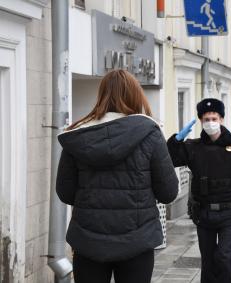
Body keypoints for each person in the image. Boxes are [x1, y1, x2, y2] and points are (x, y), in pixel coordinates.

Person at [56, 70, 179, 283]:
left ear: (101, 95)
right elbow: (168, 193)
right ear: (135, 95)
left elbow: (66, 193)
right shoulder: (150, 133)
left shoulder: (79, 134)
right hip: (138, 241)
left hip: (88, 241)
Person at [167, 98, 231, 283]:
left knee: (225, 259)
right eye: (206, 119)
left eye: (214, 118)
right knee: (208, 262)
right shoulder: (193, 147)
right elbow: (169, 159)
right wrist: (176, 140)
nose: (210, 122)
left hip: (229, 213)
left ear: (222, 119)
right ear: (201, 121)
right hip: (204, 213)